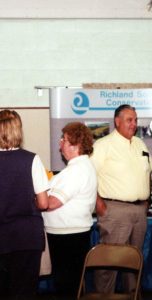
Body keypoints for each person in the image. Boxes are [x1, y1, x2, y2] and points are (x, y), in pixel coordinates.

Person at [91, 104, 152, 293]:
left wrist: (146, 200)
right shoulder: (103, 145)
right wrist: (99, 204)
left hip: (139, 211)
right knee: (109, 261)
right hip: (114, 210)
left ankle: (133, 296)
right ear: (117, 122)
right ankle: (103, 297)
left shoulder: (140, 144)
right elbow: (88, 176)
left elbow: (149, 170)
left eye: (135, 120)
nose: (134, 124)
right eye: (129, 120)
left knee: (134, 261)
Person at [42, 122, 97, 296]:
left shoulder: (76, 171)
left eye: (64, 139)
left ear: (75, 145)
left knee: (67, 288)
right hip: (69, 235)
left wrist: (33, 198)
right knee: (70, 286)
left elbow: (50, 204)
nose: (60, 143)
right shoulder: (78, 168)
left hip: (67, 237)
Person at [0, 109, 49, 298]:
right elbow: (44, 203)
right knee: (24, 291)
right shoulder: (32, 159)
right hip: (27, 237)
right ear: (18, 130)